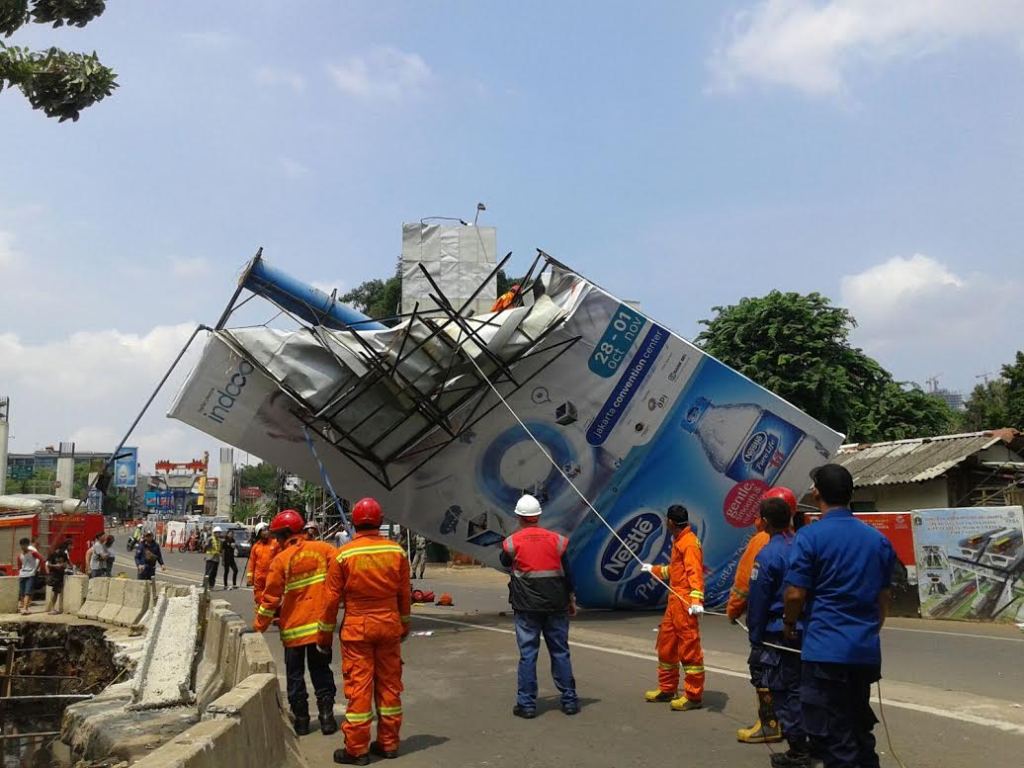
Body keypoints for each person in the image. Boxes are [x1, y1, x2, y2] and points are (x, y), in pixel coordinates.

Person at [784, 464, 896, 768]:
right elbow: (883, 598)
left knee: (833, 739)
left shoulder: (809, 537)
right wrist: (872, 629)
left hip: (825, 652)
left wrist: (789, 623)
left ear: (816, 492)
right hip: (863, 651)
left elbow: (795, 594)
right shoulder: (877, 540)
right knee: (859, 730)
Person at [318, 498, 411, 765]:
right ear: (380, 522)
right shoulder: (397, 551)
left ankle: (357, 750)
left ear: (355, 522)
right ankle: (389, 743)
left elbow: (330, 601)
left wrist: (324, 637)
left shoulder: (344, 555)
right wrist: (403, 624)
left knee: (359, 687)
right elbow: (404, 593)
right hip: (389, 626)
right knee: (390, 686)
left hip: (358, 629)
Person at [254, 509, 339, 739]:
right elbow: (341, 574)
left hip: (293, 631)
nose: (276, 542)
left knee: (295, 676)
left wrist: (258, 626)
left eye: (278, 537)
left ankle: (301, 721)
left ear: (286, 535)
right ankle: (327, 718)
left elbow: (270, 599)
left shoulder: (281, 559)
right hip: (321, 628)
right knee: (321, 671)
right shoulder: (325, 550)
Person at [497, 494, 579, 720]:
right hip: (556, 604)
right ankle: (570, 700)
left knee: (528, 655)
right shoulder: (557, 540)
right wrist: (571, 598)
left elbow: (504, 561)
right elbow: (568, 574)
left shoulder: (512, 542)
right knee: (560, 652)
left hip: (526, 607)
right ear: (539, 516)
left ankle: (527, 705)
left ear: (518, 516)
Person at [729, 486, 798, 744]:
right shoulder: (801, 542)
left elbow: (748, 589)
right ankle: (795, 730)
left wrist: (736, 614)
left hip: (773, 629)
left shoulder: (762, 545)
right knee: (796, 682)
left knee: (763, 672)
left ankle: (770, 724)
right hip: (800, 627)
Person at [747, 495, 807, 767]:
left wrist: (755, 636)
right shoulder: (803, 546)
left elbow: (758, 600)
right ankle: (812, 741)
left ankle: (797, 750)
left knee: (784, 690)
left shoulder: (768, 554)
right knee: (808, 689)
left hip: (779, 632)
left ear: (765, 522)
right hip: (809, 630)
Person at [641, 504, 705, 711]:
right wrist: (654, 570)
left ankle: (693, 696)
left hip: (685, 602)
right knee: (666, 645)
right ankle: (667, 689)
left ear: (670, 521)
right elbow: (675, 571)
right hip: (674, 601)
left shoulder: (689, 543)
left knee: (689, 650)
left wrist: (696, 601)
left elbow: (695, 573)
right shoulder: (679, 540)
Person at [246, 522, 280, 606]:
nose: (266, 532)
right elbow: (252, 563)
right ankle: (260, 616)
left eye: (267, 530)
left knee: (270, 599)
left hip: (271, 577)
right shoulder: (256, 547)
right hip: (259, 578)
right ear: (259, 533)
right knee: (258, 599)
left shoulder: (275, 544)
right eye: (264, 530)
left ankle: (269, 616)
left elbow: (280, 560)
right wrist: (250, 578)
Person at [16, 538, 43, 615]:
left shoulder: (33, 553)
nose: (23, 546)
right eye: (22, 545)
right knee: (22, 592)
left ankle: (25, 608)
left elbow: (41, 559)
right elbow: (19, 565)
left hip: (30, 574)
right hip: (22, 574)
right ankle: (22, 606)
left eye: (25, 545)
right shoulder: (20, 555)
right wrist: (19, 572)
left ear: (28, 545)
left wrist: (35, 569)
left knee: (27, 592)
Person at [45, 542, 70, 614]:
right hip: (54, 574)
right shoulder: (52, 555)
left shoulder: (64, 555)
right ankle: (53, 608)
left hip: (60, 575)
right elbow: (48, 564)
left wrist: (63, 565)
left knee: (56, 592)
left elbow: (66, 563)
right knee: (55, 591)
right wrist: (55, 566)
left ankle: (53, 608)